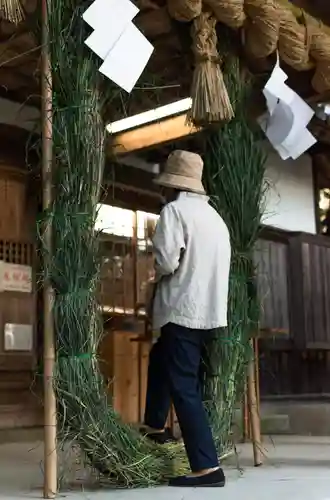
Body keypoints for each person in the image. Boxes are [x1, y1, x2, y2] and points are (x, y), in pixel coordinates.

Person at [142, 150, 231, 488]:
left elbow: (166, 262)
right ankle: (155, 426)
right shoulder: (215, 219)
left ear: (173, 185)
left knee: (184, 386)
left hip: (181, 308)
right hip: (209, 312)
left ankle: (208, 468)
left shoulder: (174, 212)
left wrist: (153, 264)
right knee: (160, 358)